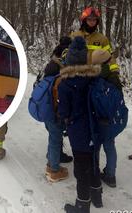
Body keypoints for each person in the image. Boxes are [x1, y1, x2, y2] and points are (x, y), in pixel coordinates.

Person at [58, 37, 103, 213]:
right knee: (94, 163)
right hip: (95, 128)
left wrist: (66, 120)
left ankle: (82, 204)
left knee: (81, 168)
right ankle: (97, 197)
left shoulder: (66, 84)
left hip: (78, 131)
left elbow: (64, 112)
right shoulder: (94, 79)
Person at [90, 49, 122, 188]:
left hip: (96, 118)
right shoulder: (113, 77)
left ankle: (95, 172)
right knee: (110, 146)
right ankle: (110, 175)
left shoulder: (91, 76)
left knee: (95, 147)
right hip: (110, 119)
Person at [44, 36, 73, 182]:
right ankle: (54, 170)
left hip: (47, 107)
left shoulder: (52, 63)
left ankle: (52, 159)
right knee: (55, 138)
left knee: (53, 137)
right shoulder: (62, 67)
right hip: (55, 109)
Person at [70, 6, 119, 72]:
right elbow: (67, 54)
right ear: (84, 20)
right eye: (89, 19)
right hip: (77, 74)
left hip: (96, 75)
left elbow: (110, 57)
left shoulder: (102, 39)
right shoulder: (75, 36)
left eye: (94, 20)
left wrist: (114, 71)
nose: (92, 22)